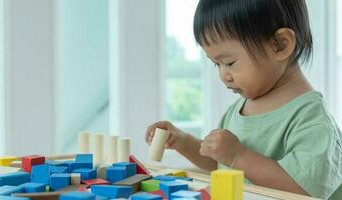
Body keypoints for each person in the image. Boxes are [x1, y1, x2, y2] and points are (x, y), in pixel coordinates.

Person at [145, 0, 342, 199]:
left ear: (280, 45)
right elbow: (221, 163)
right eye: (216, 64)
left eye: (229, 62)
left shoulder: (312, 119)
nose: (224, 75)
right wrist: (183, 141)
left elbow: (305, 189)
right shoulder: (241, 107)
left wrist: (239, 156)